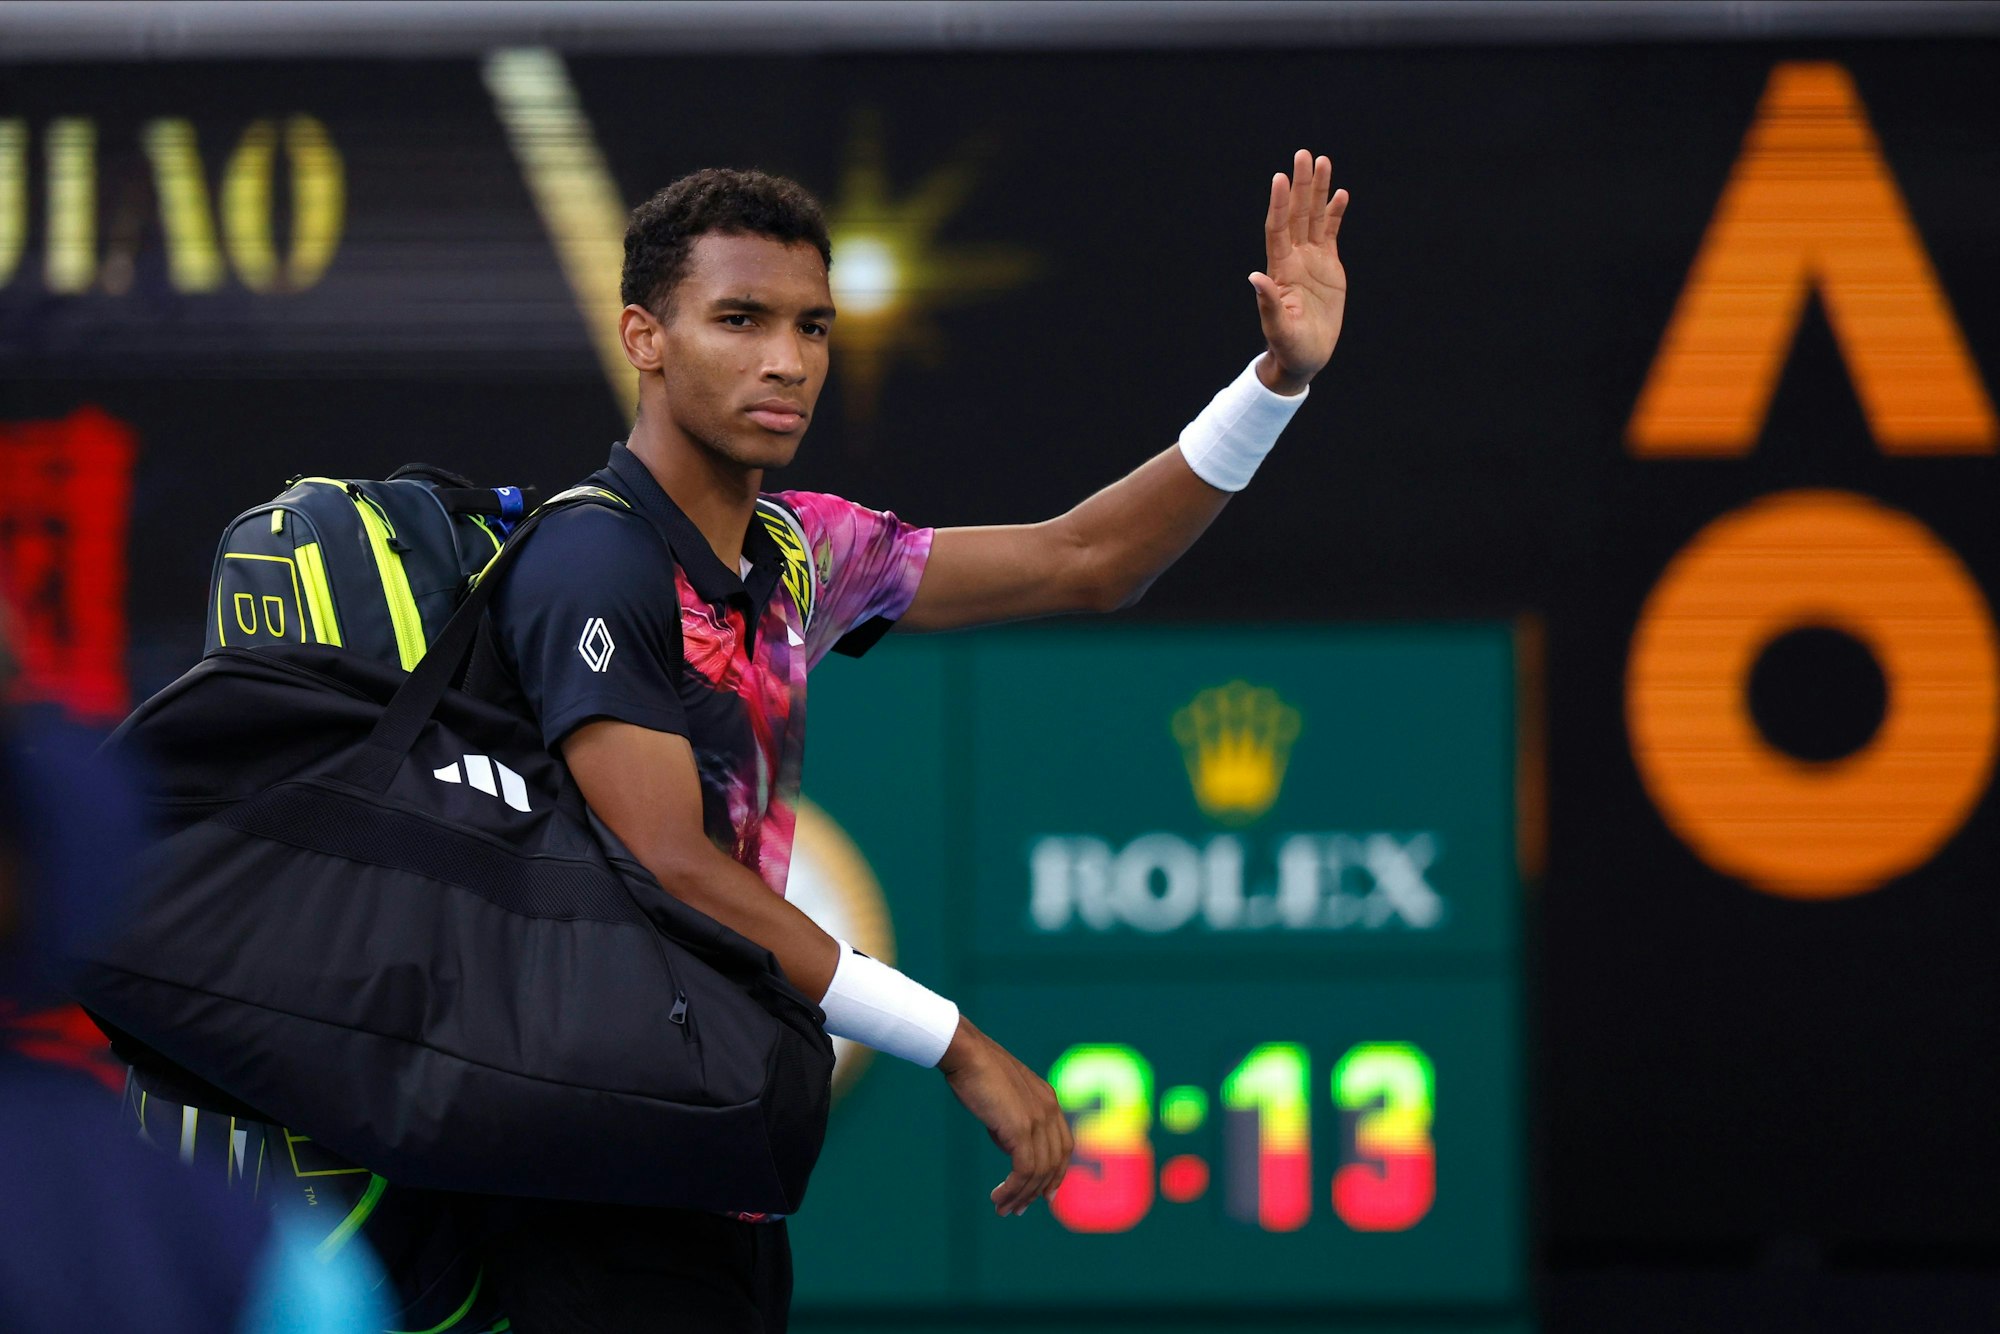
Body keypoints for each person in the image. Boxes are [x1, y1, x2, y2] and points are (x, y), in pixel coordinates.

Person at [468, 148, 1350, 1331]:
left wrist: (1276, 382)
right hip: (570, 1179)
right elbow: (668, 864)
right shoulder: (592, 561)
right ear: (644, 336)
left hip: (710, 1173)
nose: (786, 359)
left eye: (812, 327)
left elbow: (1084, 560)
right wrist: (955, 1040)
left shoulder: (800, 551)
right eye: (739, 319)